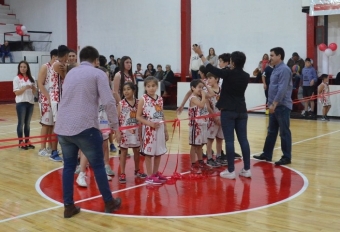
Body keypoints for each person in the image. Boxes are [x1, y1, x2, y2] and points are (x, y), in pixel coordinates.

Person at [54, 46, 121, 218]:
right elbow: (108, 102)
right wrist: (115, 125)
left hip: (63, 126)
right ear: (96, 60)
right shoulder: (98, 74)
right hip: (85, 127)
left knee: (69, 167)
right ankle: (108, 201)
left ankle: (68, 206)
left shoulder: (71, 73)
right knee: (98, 165)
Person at [193, 45, 252, 179]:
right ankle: (247, 169)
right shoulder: (246, 76)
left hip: (228, 111)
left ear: (233, 62)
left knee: (229, 141)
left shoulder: (228, 73)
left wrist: (201, 54)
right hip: (242, 110)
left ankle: (231, 171)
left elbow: (210, 68)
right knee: (243, 140)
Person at [253, 47, 293, 166]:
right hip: (273, 105)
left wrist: (275, 103)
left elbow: (282, 88)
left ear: (279, 56)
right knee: (271, 131)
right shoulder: (275, 69)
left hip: (281, 106)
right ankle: (267, 153)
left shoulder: (284, 70)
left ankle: (286, 157)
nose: (270, 58)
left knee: (284, 132)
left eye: (272, 55)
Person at [136, 76, 168, 185]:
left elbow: (162, 114)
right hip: (149, 129)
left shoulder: (160, 99)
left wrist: (166, 130)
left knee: (158, 153)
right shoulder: (143, 99)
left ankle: (155, 174)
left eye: (153, 86)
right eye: (148, 86)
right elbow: (138, 116)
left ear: (157, 86)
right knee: (149, 154)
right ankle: (149, 176)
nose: (151, 88)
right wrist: (150, 123)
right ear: (145, 87)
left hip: (160, 128)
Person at [118, 82, 147, 184]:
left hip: (136, 131)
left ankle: (137, 170)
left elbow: (142, 116)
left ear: (133, 90)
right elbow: (117, 119)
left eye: (128, 89)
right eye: (124, 89)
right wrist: (117, 132)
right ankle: (122, 173)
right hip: (125, 132)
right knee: (124, 152)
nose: (126, 91)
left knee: (136, 151)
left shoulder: (139, 103)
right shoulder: (121, 103)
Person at [49, 45, 70, 162]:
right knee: (57, 126)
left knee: (61, 125)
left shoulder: (61, 64)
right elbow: (65, 78)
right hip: (57, 98)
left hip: (61, 98)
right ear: (66, 54)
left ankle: (59, 149)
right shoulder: (58, 64)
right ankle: (53, 151)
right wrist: (66, 69)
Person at [188, 79, 213, 173]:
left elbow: (212, 94)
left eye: (202, 88)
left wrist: (205, 86)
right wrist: (203, 94)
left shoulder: (200, 96)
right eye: (199, 87)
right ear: (193, 88)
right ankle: (193, 164)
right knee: (194, 145)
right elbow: (202, 105)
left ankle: (201, 161)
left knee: (200, 145)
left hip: (203, 124)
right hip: (195, 126)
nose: (201, 89)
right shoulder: (193, 98)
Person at [37, 49, 58, 156]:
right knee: (46, 124)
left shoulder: (57, 68)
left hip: (54, 98)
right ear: (53, 57)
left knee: (51, 125)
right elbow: (40, 84)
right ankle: (42, 148)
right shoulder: (45, 67)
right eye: (56, 58)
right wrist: (48, 97)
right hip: (45, 99)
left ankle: (50, 147)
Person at [13, 61, 37, 149]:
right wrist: (25, 88)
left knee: (27, 123)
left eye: (24, 67)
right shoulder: (16, 79)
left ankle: (27, 141)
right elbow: (16, 93)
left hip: (30, 103)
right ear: (19, 68)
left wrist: (34, 88)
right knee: (21, 123)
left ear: (27, 68)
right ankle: (21, 142)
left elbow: (35, 93)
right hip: (21, 103)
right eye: (21, 67)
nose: (23, 68)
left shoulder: (32, 78)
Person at [205, 73, 224, 167]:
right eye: (208, 78)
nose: (208, 80)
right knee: (210, 138)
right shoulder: (207, 90)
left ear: (216, 79)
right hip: (212, 117)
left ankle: (219, 156)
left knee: (220, 138)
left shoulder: (222, 89)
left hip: (222, 116)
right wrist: (214, 116)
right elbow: (208, 106)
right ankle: (209, 157)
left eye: (210, 78)